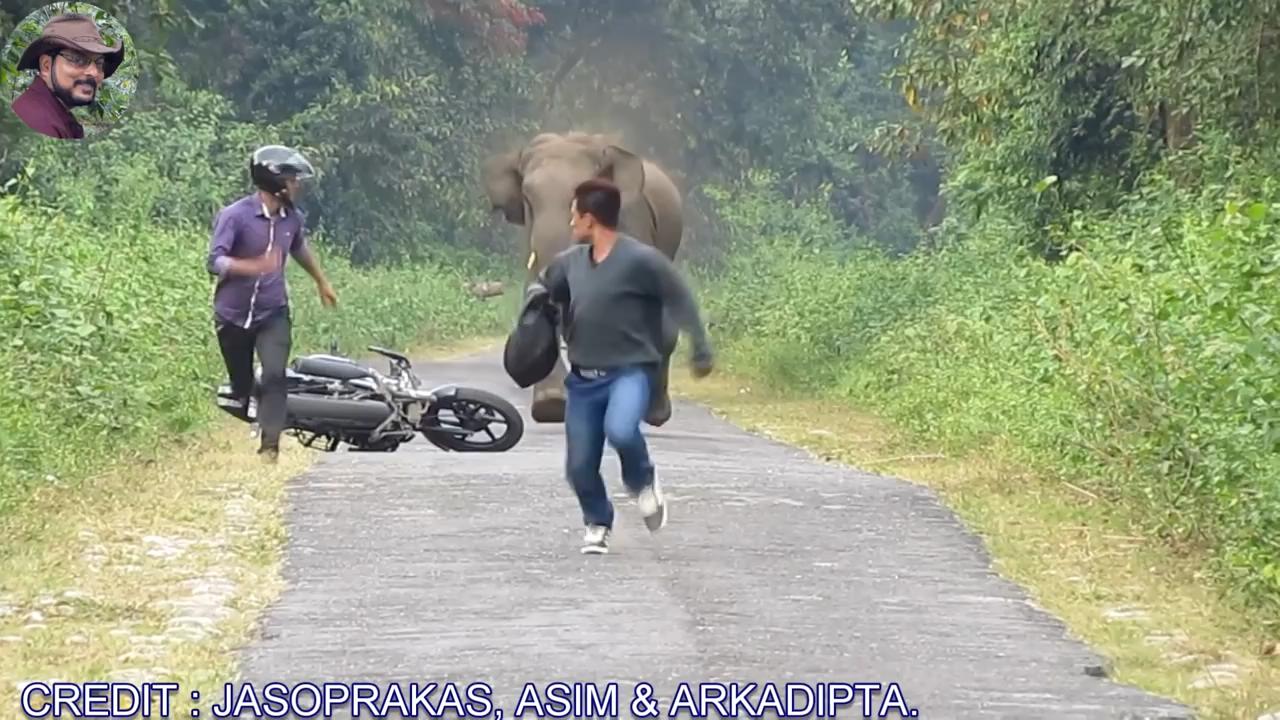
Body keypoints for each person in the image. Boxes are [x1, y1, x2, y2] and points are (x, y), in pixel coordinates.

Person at [526, 178, 714, 555]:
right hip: (582, 379)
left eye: (573, 215)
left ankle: (643, 481)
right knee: (579, 467)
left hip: (629, 372)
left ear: (590, 219)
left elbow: (680, 298)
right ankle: (597, 522)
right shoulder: (568, 264)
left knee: (621, 430)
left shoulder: (642, 261)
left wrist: (700, 347)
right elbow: (545, 293)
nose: (570, 223)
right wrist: (532, 315)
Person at [207, 145, 338, 463]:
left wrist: (322, 281)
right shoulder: (235, 216)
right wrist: (250, 267)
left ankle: (270, 448)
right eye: (293, 180)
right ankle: (248, 400)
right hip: (232, 315)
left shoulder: (292, 218)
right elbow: (214, 261)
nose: (298, 186)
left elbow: (299, 248)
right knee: (242, 386)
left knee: (275, 375)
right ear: (274, 181)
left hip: (273, 311)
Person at [11, 13, 127, 140]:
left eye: (99, 63)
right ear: (46, 66)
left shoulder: (55, 116)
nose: (94, 72)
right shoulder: (38, 120)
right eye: (78, 59)